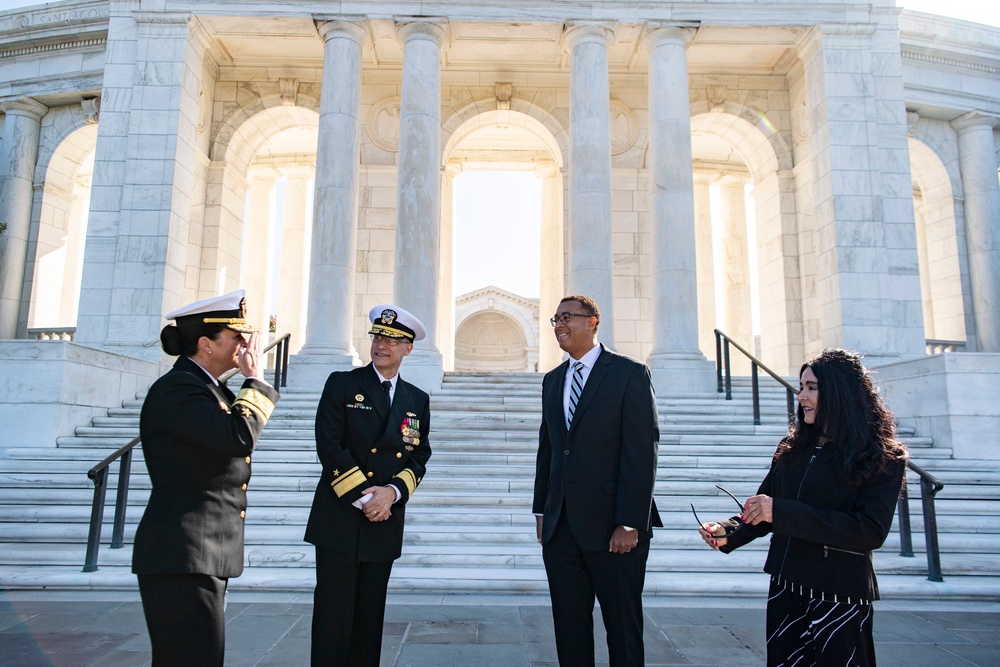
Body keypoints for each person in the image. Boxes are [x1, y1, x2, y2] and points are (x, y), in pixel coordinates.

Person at [698, 348, 908, 666]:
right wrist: (727, 532)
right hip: (786, 587)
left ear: (840, 392)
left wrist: (779, 512)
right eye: (800, 387)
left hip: (839, 595)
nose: (801, 396)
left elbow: (868, 531)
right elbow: (762, 509)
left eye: (812, 387)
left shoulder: (884, 457)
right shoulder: (792, 448)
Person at [132, 289, 280, 666]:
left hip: (200, 555)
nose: (245, 345)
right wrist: (256, 381)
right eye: (236, 336)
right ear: (205, 343)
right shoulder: (180, 389)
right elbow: (239, 437)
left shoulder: (209, 388)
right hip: (183, 554)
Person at [533, 294, 662, 667]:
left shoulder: (629, 373)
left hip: (614, 530)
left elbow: (641, 452)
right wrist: (542, 509)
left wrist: (631, 521)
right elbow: (550, 449)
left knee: (622, 629)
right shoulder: (553, 380)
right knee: (569, 628)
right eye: (555, 318)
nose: (559, 324)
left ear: (592, 322)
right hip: (561, 529)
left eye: (568, 317)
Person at [305, 304, 432, 667]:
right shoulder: (342, 384)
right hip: (341, 518)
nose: (382, 344)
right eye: (378, 336)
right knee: (333, 618)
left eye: (392, 340)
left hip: (384, 521)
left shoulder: (417, 400)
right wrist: (367, 499)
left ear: (407, 348)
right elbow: (329, 444)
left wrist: (391, 494)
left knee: (369, 620)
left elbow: (419, 456)